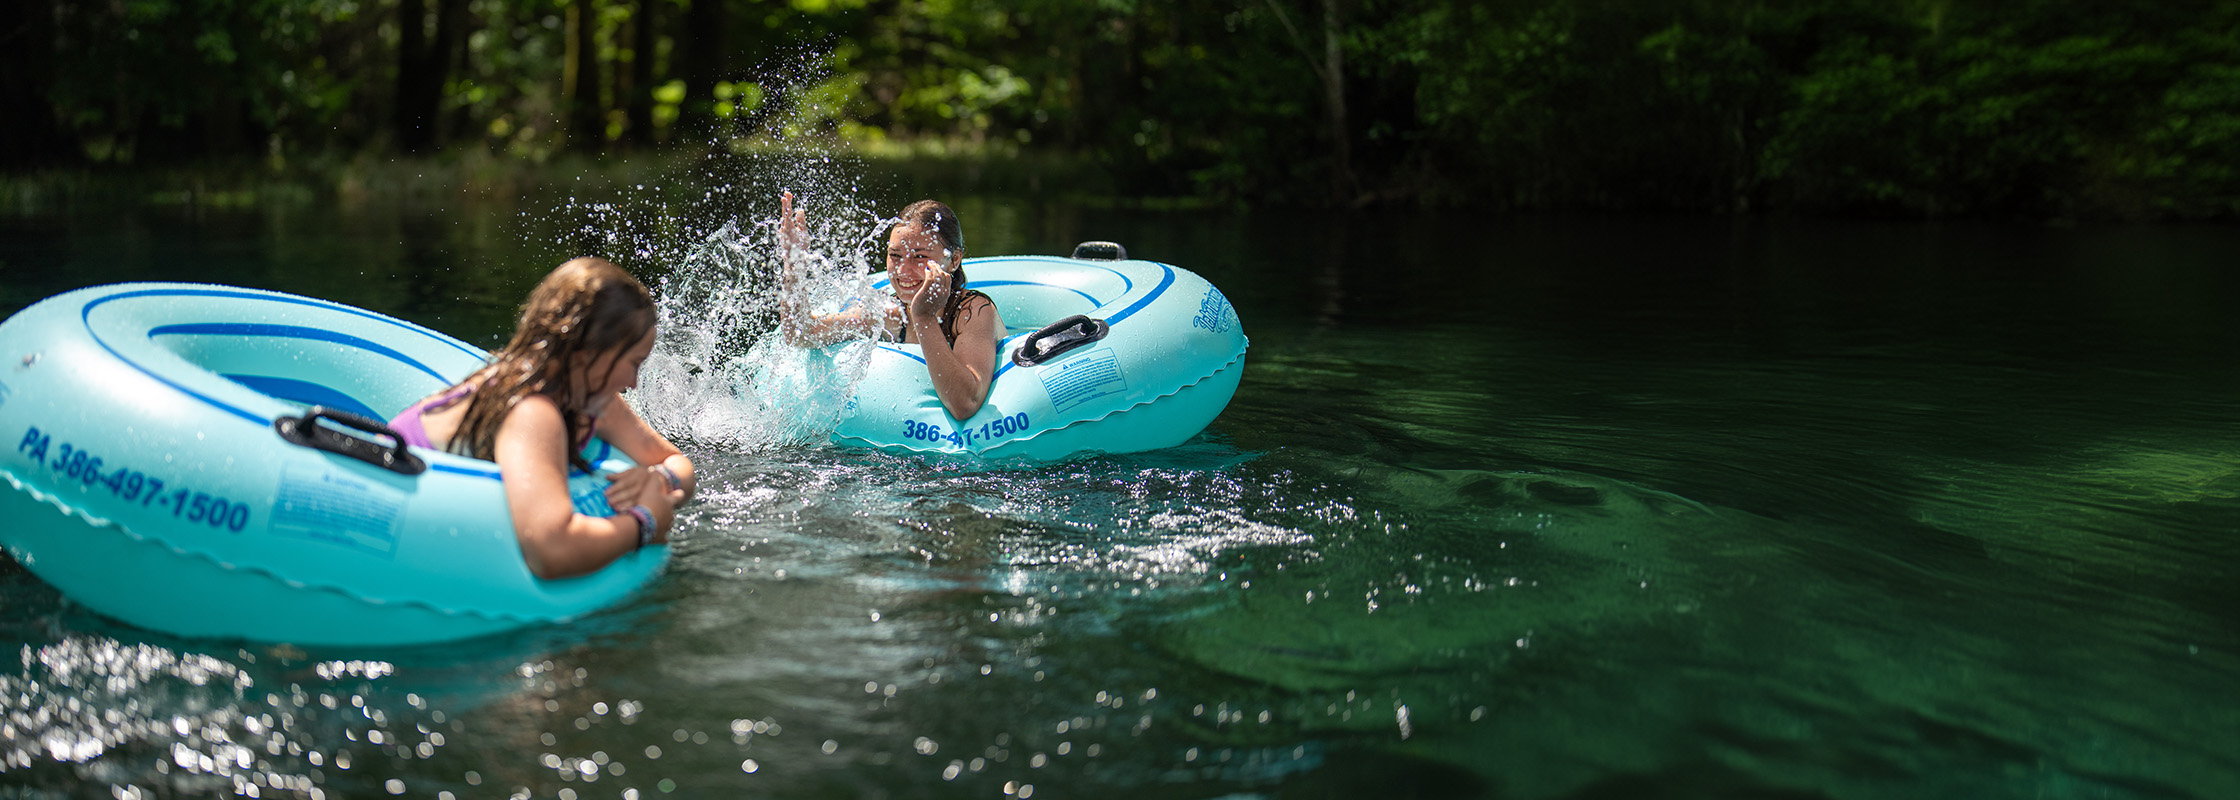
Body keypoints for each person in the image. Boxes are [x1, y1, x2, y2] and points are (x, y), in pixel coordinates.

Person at [388, 257, 696, 579]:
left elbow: (678, 462)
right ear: (589, 353)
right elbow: (551, 552)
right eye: (633, 363)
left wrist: (660, 477)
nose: (634, 382)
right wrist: (644, 524)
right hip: (401, 499)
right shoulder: (532, 411)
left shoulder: (592, 399)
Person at [776, 192, 1004, 420]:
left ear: (954, 260)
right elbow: (802, 333)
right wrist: (793, 265)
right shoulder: (891, 313)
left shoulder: (973, 312)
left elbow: (964, 404)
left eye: (919, 257)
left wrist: (924, 317)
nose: (903, 271)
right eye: (895, 255)